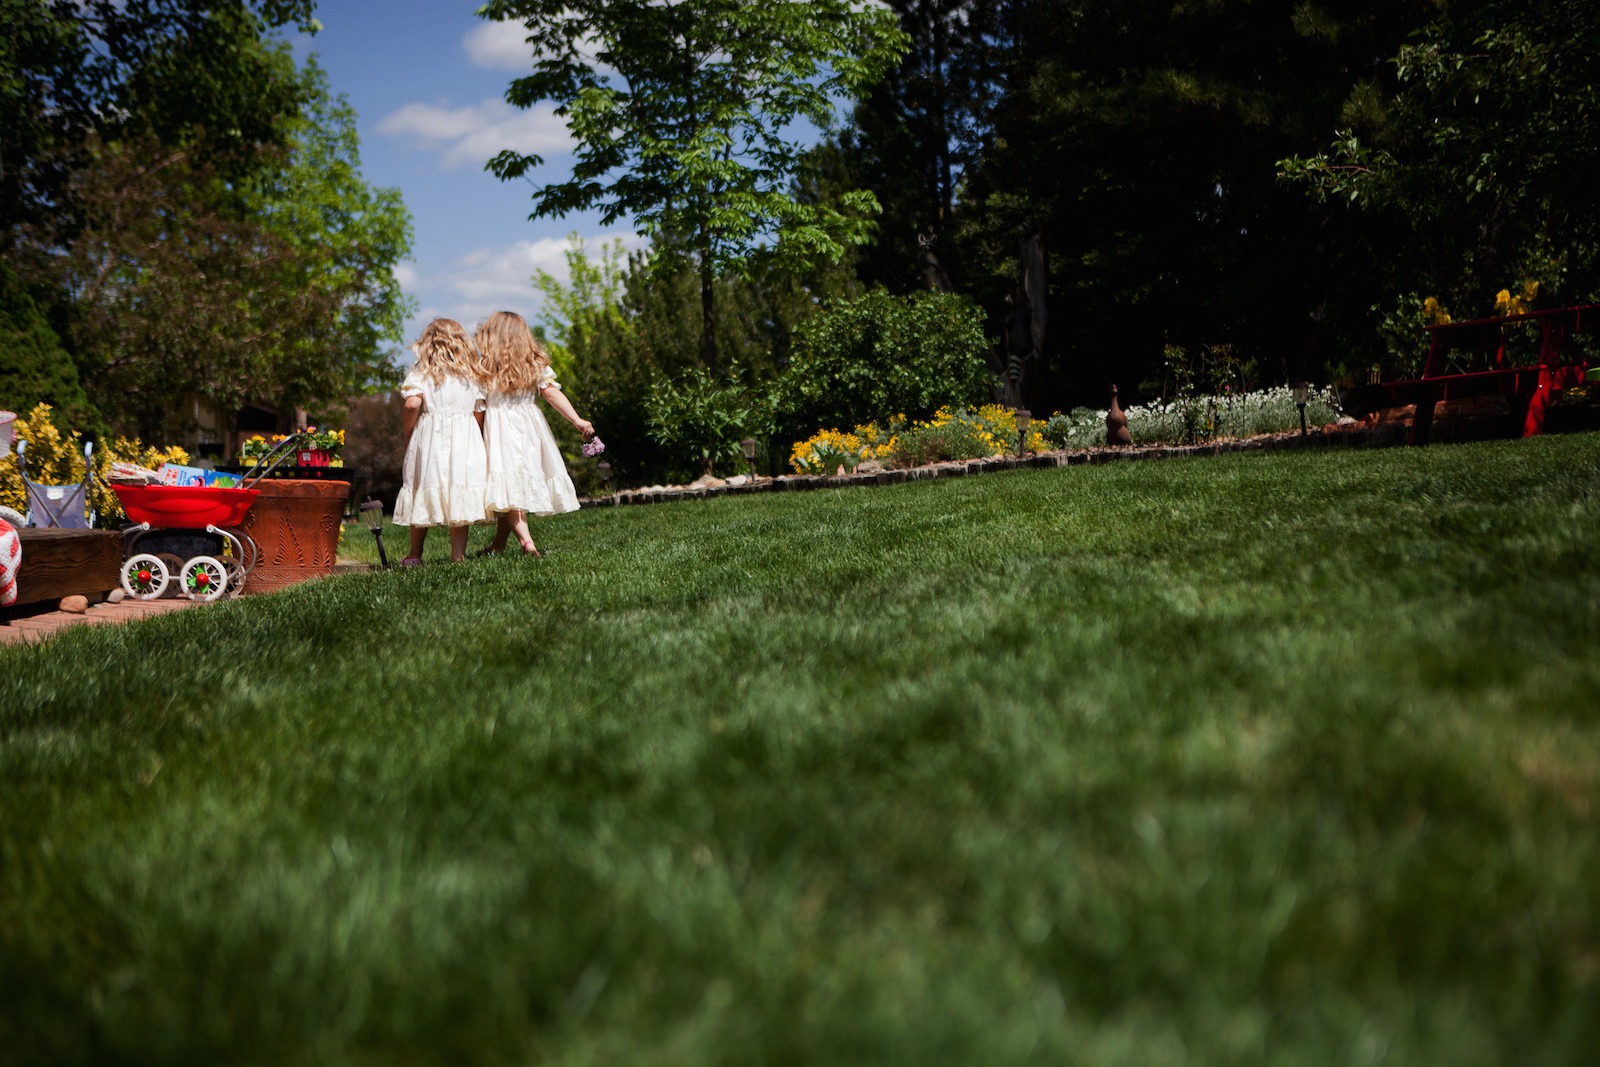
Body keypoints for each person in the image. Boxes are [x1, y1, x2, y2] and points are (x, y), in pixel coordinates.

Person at [474, 310, 592, 556]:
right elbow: (551, 393)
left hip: (499, 431)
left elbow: (479, 406)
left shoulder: (484, 366)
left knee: (508, 487)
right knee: (511, 488)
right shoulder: (534, 363)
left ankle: (527, 542)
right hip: (529, 428)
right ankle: (498, 544)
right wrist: (576, 419)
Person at [392, 318, 490, 564]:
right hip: (463, 439)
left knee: (422, 488)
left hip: (429, 437)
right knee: (458, 493)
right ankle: (458, 556)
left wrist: (407, 432)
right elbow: (479, 414)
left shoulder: (420, 373)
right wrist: (473, 436)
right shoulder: (473, 376)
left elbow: (412, 404)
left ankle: (415, 554)